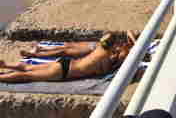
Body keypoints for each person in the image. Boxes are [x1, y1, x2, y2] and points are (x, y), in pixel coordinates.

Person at [0, 32, 137, 83]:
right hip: (64, 71)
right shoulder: (106, 59)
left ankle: (6, 66)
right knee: (27, 76)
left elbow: (126, 33)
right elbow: (103, 73)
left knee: (28, 67)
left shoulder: (100, 49)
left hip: (65, 64)